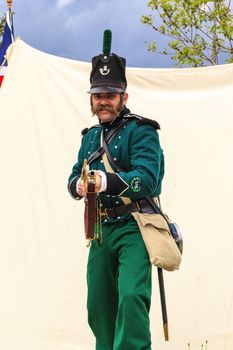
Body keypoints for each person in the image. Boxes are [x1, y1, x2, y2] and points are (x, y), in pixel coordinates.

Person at [68, 31, 164, 350]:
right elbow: (71, 178)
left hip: (134, 227)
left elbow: (149, 179)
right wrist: (80, 185)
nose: (104, 100)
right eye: (98, 94)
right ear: (91, 98)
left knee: (132, 297)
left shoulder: (141, 130)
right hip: (99, 231)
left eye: (111, 93)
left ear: (124, 96)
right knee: (98, 308)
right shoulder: (89, 137)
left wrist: (107, 181)